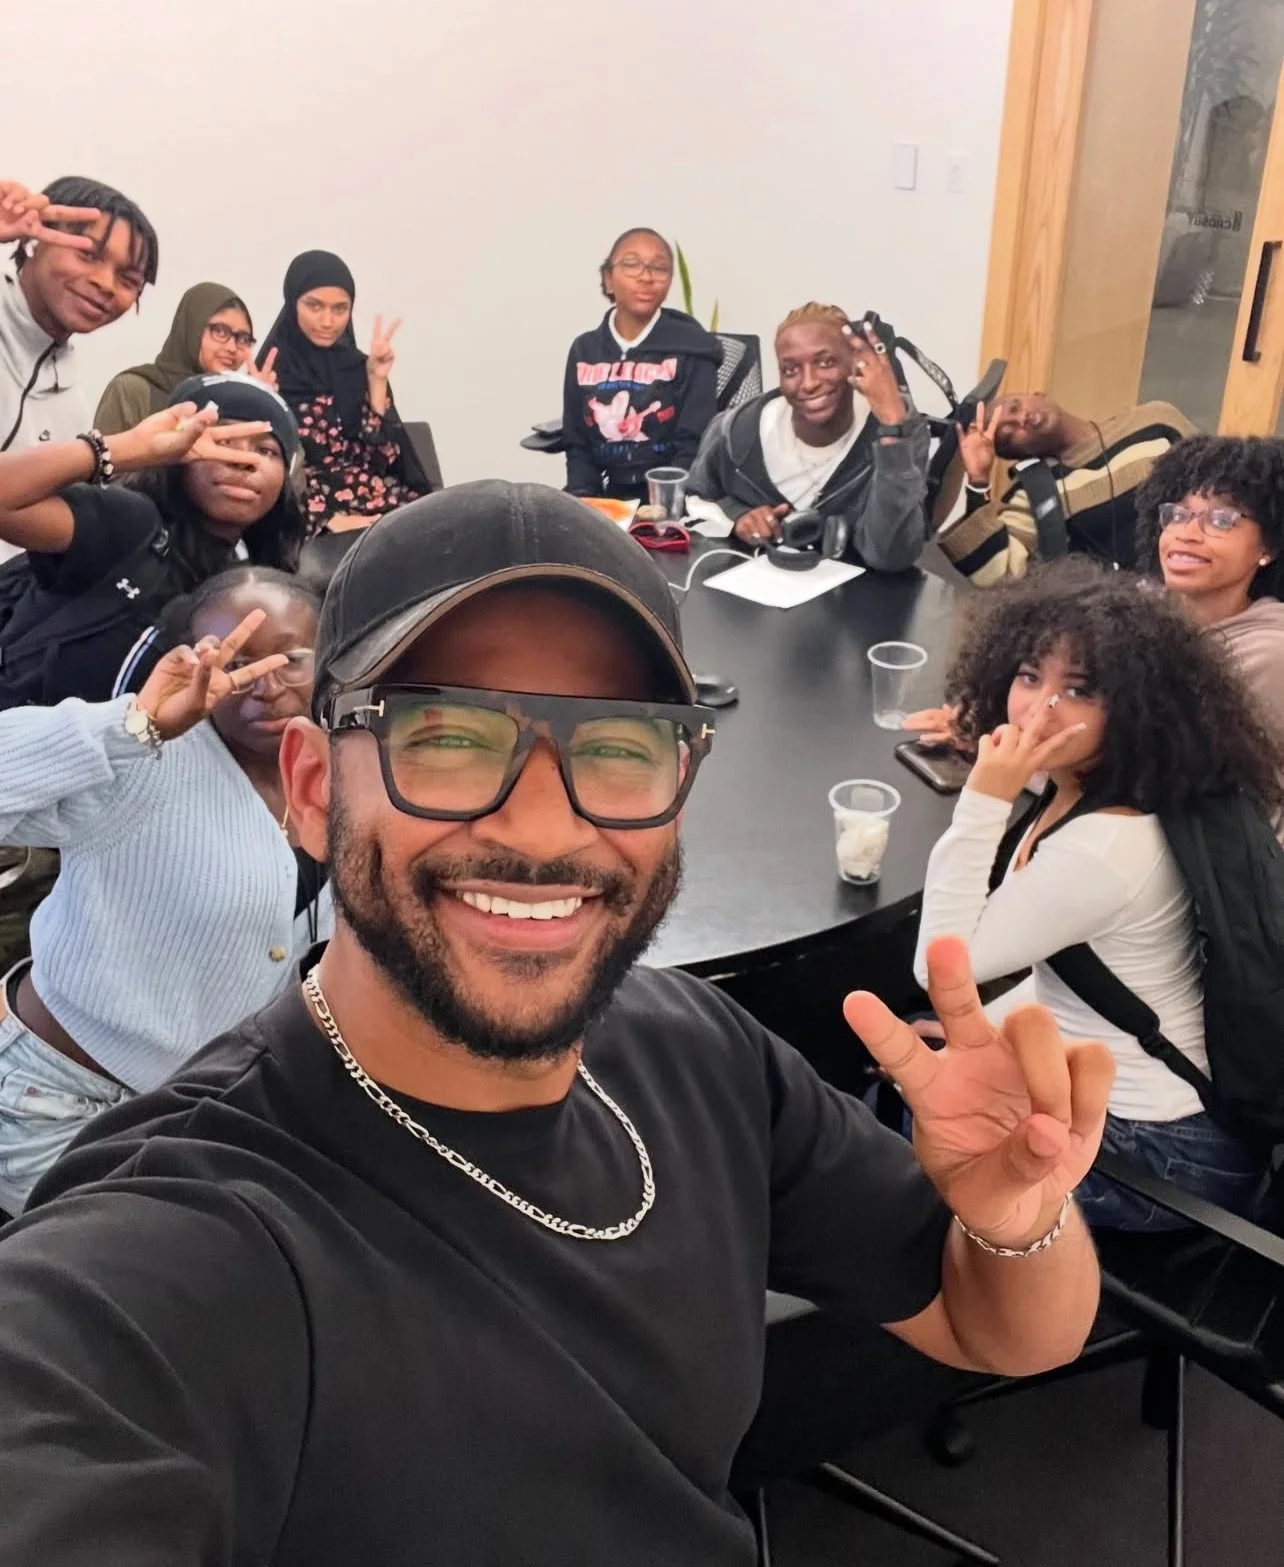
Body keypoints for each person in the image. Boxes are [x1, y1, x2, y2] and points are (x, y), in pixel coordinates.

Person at [0, 481, 1114, 1564]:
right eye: (445, 732)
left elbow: (1002, 1329)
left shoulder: (699, 1050)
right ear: (312, 787)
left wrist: (1017, 1216)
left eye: (619, 744)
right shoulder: (182, 1246)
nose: (541, 826)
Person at [914, 562, 1284, 1230]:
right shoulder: (1123, 787)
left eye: (1078, 690)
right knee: (925, 1081)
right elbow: (1076, 978)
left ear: (1138, 707)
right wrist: (986, 1031)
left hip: (1164, 1154)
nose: (1039, 709)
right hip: (1169, 1108)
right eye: (1031, 676)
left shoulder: (1105, 847)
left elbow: (939, 969)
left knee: (925, 1136)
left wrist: (984, 798)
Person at [0, 569, 331, 1215]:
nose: (266, 685)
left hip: (197, 1109)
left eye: (290, 657)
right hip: (54, 1103)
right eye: (234, 662)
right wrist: (134, 726)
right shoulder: (144, 759)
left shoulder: (338, 770)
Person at [0, 371, 306, 708]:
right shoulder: (127, 523)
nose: (243, 460)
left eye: (266, 450)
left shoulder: (258, 577)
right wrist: (125, 447)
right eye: (222, 441)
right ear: (177, 455)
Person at [688, 302, 930, 572]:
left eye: (825, 363)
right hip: (755, 591)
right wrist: (737, 517)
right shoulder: (736, 431)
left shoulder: (901, 430)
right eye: (790, 370)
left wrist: (893, 431)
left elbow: (890, 555)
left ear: (854, 363)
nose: (808, 383)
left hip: (861, 595)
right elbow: (694, 498)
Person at [0, 178, 159, 561]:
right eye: (87, 254)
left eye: (128, 279)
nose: (105, 283)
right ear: (32, 239)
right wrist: (121, 449)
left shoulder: (72, 402)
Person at [937, 392, 1195, 585]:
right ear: (1015, 453)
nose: (1021, 419)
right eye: (1009, 432)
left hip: (1203, 588)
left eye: (1016, 407)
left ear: (1040, 395)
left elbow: (1214, 477)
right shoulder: (1035, 492)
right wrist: (978, 479)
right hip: (1130, 621)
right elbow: (999, 574)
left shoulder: (1154, 420)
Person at [257, 249, 429, 531]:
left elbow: (381, 461)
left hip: (377, 502)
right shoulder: (270, 375)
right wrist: (328, 521)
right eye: (314, 306)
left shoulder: (360, 368)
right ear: (292, 303)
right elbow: (267, 472)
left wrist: (376, 380)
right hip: (305, 512)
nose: (328, 322)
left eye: (340, 309)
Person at [1134, 433, 1284, 748]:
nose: (1186, 533)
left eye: (1221, 520)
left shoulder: (1272, 657)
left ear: (1268, 546)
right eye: (1178, 515)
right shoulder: (1123, 615)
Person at [563, 227, 722, 501]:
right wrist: (584, 499)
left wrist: (663, 503)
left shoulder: (693, 347)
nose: (646, 277)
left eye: (659, 268)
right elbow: (577, 444)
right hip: (609, 495)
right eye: (631, 264)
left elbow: (692, 445)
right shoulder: (584, 349)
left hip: (675, 495)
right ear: (608, 279)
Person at [94, 281, 277, 435]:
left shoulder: (235, 404)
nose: (232, 348)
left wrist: (260, 406)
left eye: (243, 339)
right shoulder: (133, 391)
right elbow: (101, 463)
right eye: (220, 332)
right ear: (191, 329)